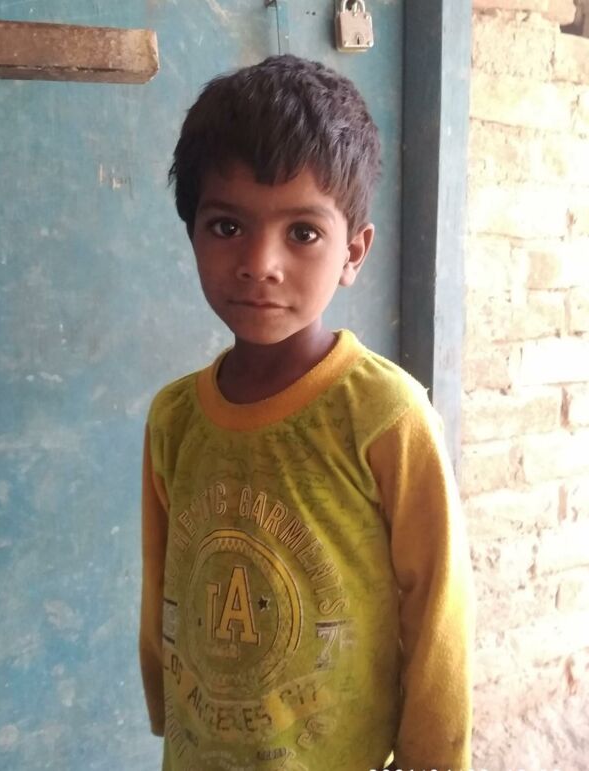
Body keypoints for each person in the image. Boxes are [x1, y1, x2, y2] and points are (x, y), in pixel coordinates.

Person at [140, 54, 474, 771]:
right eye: (226, 226)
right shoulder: (175, 416)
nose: (261, 262)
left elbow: (438, 606)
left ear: (353, 252)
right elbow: (164, 580)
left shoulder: (384, 415)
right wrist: (164, 700)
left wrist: (433, 758)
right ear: (192, 234)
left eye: (302, 233)